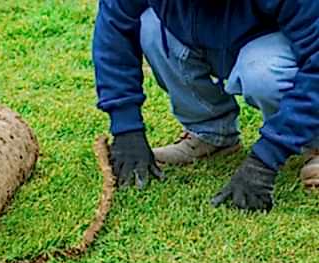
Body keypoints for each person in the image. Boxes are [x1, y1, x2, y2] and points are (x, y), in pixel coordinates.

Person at [93, 0, 319, 211]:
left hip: (276, 38)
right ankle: (212, 135)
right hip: (207, 31)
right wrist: (126, 130)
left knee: (263, 73)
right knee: (151, 26)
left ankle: (315, 141)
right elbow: (113, 29)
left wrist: (266, 159)